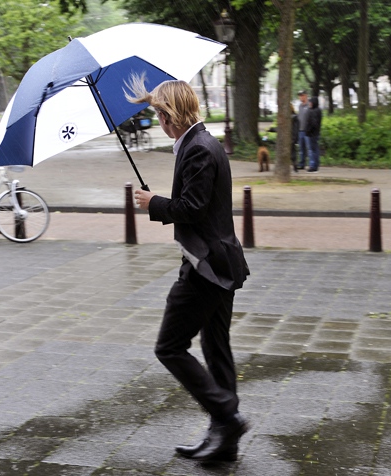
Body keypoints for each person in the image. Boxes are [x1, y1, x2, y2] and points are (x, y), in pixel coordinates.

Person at [127, 75, 250, 462]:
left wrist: (154, 203)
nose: (158, 121)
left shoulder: (197, 148)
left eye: (158, 113)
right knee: (216, 348)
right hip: (220, 263)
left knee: (169, 347)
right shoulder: (199, 143)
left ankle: (226, 416)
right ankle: (224, 439)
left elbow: (192, 208)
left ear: (169, 114)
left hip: (206, 267)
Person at [306, 97, 322, 173]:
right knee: (315, 149)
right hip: (316, 133)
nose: (310, 104)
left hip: (312, 133)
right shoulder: (318, 110)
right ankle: (316, 164)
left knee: (312, 150)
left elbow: (313, 123)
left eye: (311, 102)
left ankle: (313, 165)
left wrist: (308, 130)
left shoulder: (313, 111)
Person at [296, 90, 310, 170]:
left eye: (302, 95)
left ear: (306, 96)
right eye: (300, 95)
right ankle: (302, 163)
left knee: (309, 148)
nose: (301, 97)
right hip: (300, 130)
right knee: (301, 148)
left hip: (307, 130)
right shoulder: (300, 106)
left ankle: (311, 164)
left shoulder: (309, 105)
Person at [290, 103, 300, 172]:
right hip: (292, 137)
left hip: (291, 137)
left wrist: (295, 138)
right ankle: (295, 166)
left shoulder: (293, 118)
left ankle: (295, 167)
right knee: (293, 153)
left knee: (292, 153)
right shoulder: (295, 117)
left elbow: (296, 129)